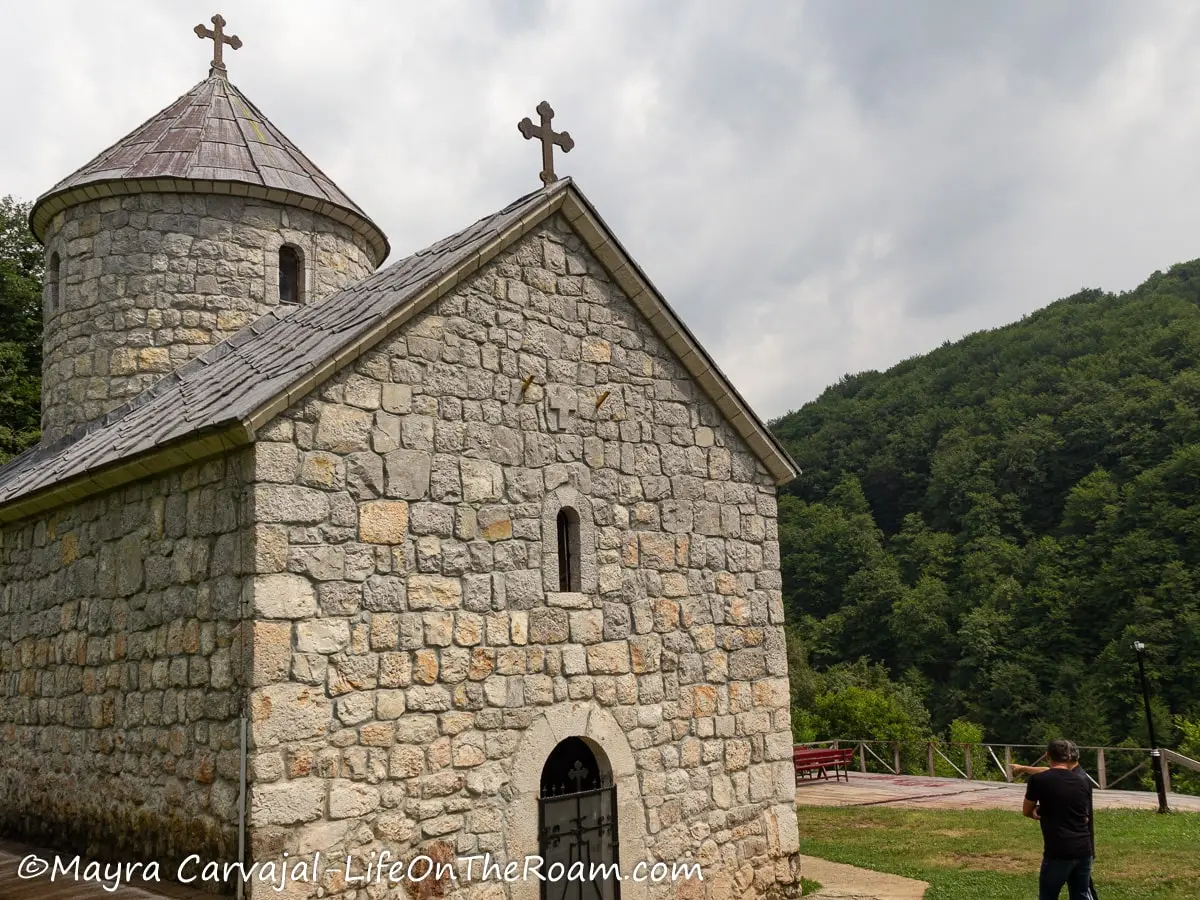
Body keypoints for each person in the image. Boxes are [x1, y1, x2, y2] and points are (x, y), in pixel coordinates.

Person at [1021, 739, 1095, 900]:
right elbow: (1085, 818)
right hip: (1084, 849)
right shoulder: (1083, 781)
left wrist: (1037, 811)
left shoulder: (1039, 780)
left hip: (1058, 850)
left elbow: (1026, 810)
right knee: (1081, 895)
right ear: (1069, 757)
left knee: (1048, 895)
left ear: (1047, 756)